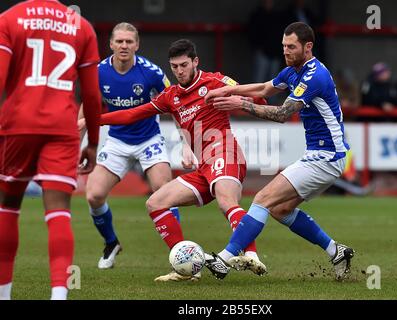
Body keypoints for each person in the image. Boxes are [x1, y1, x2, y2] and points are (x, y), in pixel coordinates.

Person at [79, 39, 268, 281]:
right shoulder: (171, 96)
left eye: (184, 65)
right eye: (175, 66)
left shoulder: (216, 81)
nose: (179, 71)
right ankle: (186, 268)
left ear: (195, 62)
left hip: (225, 154)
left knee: (225, 201)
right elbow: (131, 114)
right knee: (155, 202)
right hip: (203, 168)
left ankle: (250, 254)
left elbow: (259, 98)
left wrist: (242, 102)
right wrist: (94, 119)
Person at [203, 22, 355, 281]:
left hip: (327, 156)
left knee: (262, 199)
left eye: (291, 47)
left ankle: (224, 258)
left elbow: (282, 114)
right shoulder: (292, 71)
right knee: (280, 209)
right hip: (323, 155)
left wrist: (239, 104)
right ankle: (336, 250)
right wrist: (229, 89)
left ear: (308, 47)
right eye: (284, 46)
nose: (286, 51)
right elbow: (264, 89)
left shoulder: (313, 76)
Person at [0, 0, 101, 300]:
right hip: (61, 128)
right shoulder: (81, 26)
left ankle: (4, 295)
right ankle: (59, 295)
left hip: (18, 124)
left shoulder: (9, 19)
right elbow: (92, 95)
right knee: (59, 211)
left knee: (8, 207)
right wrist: (93, 141)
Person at [80, 22, 183, 270]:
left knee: (164, 191)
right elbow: (89, 106)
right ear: (111, 44)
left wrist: (187, 142)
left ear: (137, 44)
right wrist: (78, 139)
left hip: (149, 139)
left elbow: (176, 104)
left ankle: (179, 254)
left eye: (129, 41)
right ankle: (111, 243)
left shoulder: (152, 73)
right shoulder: (98, 71)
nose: (124, 46)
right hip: (116, 141)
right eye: (120, 41)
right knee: (93, 195)